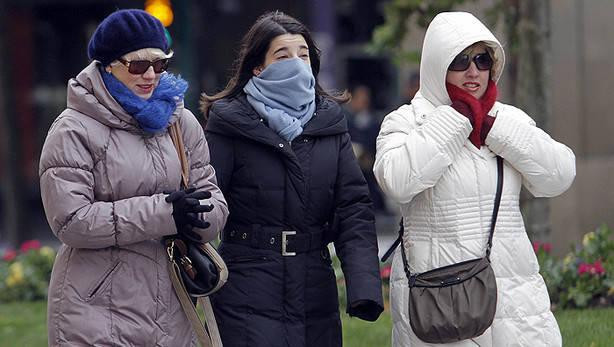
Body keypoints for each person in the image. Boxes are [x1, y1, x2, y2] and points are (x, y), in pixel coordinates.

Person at [374, 12, 575, 347]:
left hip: (513, 292)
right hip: (441, 295)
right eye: (460, 60)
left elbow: (558, 176)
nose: (473, 71)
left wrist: (499, 130)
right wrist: (457, 120)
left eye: (482, 60)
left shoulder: (507, 119)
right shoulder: (407, 121)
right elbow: (397, 181)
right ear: (437, 65)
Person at [39, 9, 228, 346]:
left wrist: (197, 214)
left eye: (160, 64)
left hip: (172, 303)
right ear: (108, 65)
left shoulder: (181, 123)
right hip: (94, 306)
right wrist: (166, 213)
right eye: (138, 65)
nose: (150, 75)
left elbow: (213, 202)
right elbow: (70, 221)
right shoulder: (73, 129)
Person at [200, 11, 384, 347]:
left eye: (303, 55)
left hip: (315, 291)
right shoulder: (228, 123)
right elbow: (208, 202)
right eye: (283, 56)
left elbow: (352, 207)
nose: (296, 64)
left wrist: (364, 287)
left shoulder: (330, 122)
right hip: (247, 290)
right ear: (258, 66)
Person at [344, 85, 386, 213]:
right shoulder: (344, 119)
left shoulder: (373, 122)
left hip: (368, 168)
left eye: (365, 99)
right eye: (360, 98)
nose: (363, 102)